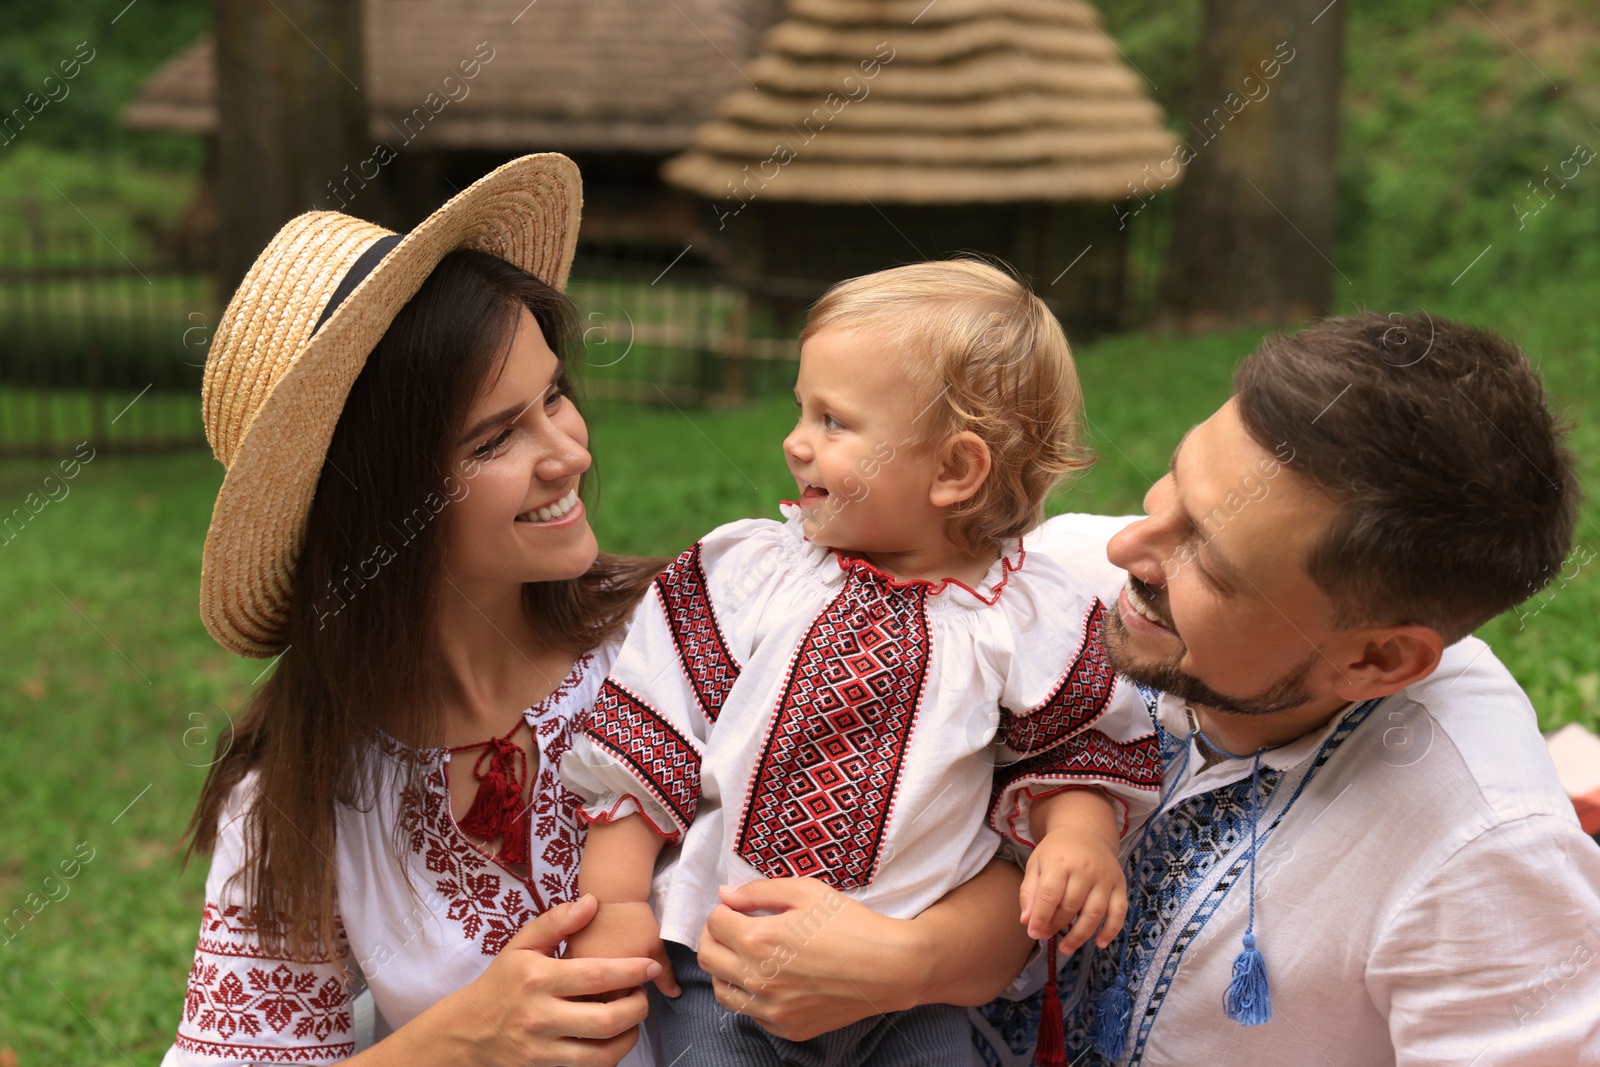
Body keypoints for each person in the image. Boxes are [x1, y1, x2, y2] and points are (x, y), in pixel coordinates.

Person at [163, 155, 1039, 1067]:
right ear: (379, 502)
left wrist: (909, 961)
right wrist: (464, 1041)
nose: (569, 452)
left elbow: (996, 856)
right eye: (497, 436)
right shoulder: (302, 792)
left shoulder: (697, 633)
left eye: (554, 397)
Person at [559, 260, 1163, 1066]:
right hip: (722, 959)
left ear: (954, 469)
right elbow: (649, 736)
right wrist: (619, 899)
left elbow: (1070, 748)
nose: (795, 441)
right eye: (800, 409)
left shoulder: (1027, 615)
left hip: (907, 983)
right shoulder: (748, 575)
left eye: (833, 421)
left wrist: (1079, 834)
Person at [965, 313, 1600, 1065]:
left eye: (1212, 562)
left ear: (1379, 660)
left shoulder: (1480, 851)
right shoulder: (1045, 588)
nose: (1124, 547)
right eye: (1172, 482)